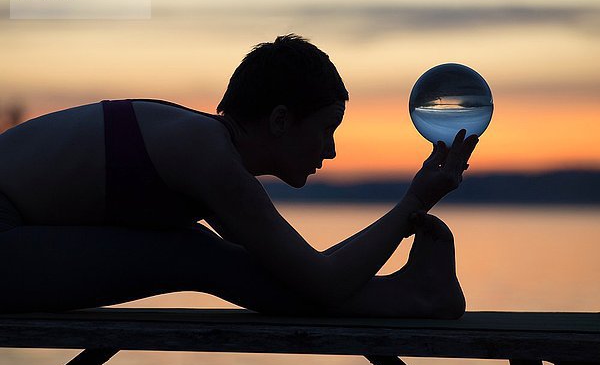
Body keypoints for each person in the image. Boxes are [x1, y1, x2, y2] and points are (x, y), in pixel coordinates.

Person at [0, 34, 478, 317]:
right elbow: (321, 282)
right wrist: (413, 203)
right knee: (194, 253)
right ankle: (414, 295)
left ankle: (414, 293)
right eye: (326, 130)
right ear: (280, 120)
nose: (331, 151)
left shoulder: (200, 146)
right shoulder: (206, 155)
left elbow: (297, 273)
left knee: (209, 255)